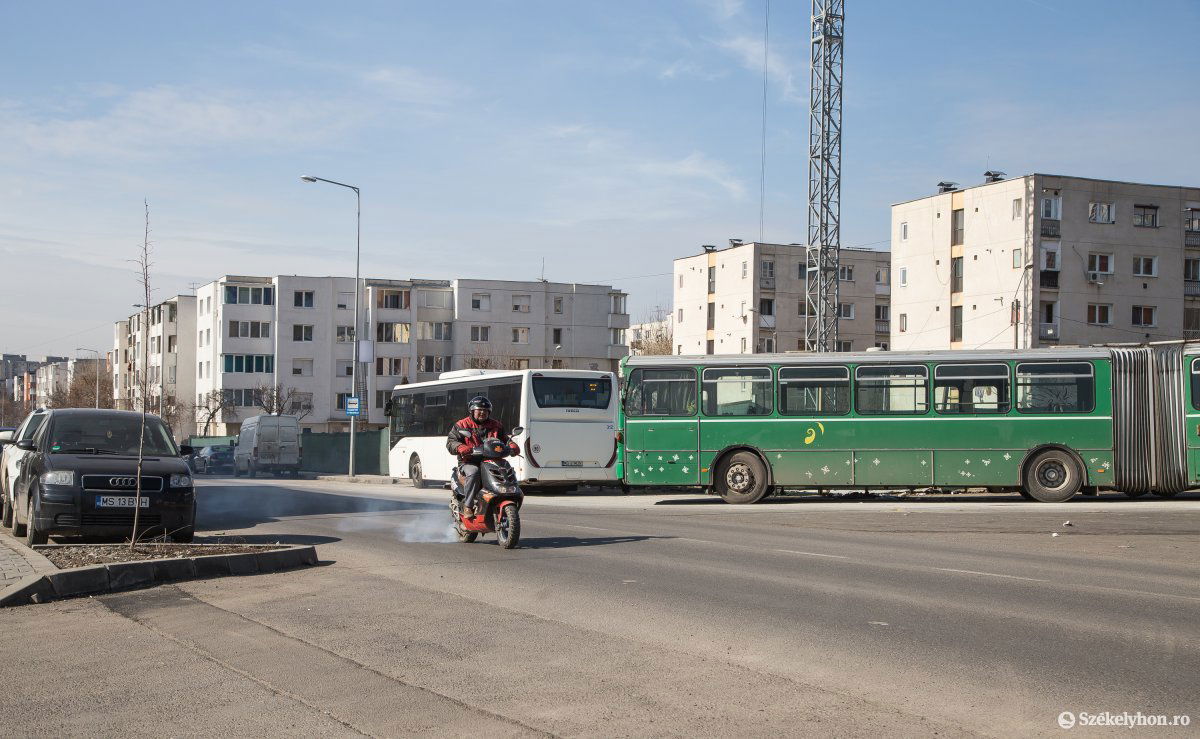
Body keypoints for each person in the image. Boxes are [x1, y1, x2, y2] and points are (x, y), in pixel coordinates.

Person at [445, 396, 517, 515]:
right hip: (469, 461)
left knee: (506, 468)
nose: (483, 412)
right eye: (479, 410)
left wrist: (512, 445)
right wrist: (460, 447)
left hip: (492, 460)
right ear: (472, 410)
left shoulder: (496, 425)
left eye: (486, 410)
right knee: (474, 472)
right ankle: (468, 505)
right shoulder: (462, 424)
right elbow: (451, 442)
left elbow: (505, 439)